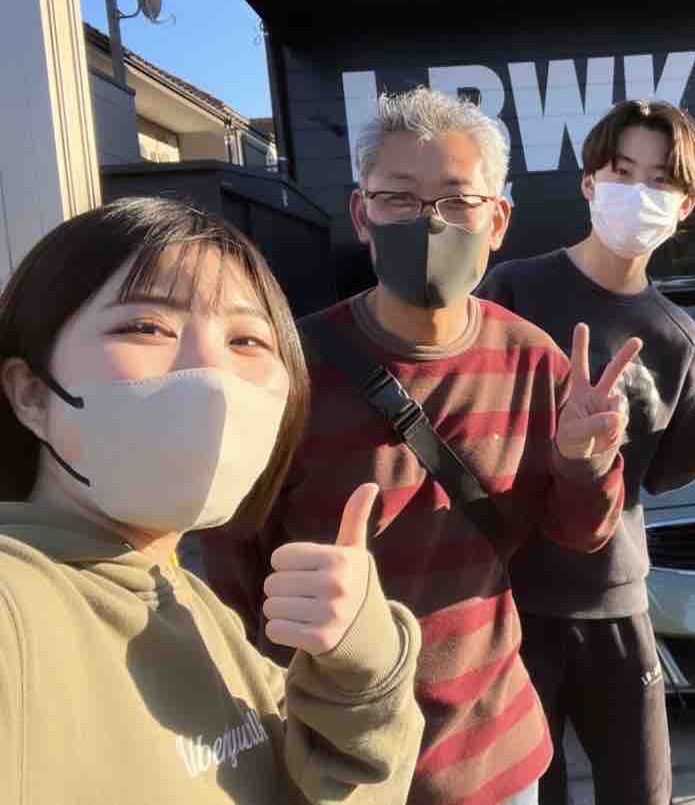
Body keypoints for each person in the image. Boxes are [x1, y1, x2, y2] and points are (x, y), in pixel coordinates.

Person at [202, 87, 636, 805]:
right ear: (361, 213)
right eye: (399, 198)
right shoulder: (289, 369)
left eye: (458, 201)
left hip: (492, 752)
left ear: (497, 220)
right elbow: (228, 568)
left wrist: (585, 464)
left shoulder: (533, 359)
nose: (430, 222)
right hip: (334, 762)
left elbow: (578, 534)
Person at [0, 198, 424, 805]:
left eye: (247, 339)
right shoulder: (15, 606)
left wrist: (363, 672)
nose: (212, 371)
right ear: (30, 395)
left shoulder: (192, 603)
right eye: (146, 327)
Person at [477, 99, 695, 805]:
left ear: (685, 205)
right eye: (622, 171)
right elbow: (470, 428)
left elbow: (659, 474)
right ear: (589, 183)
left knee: (641, 789)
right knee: (525, 792)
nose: (638, 193)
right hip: (512, 598)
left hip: (615, 595)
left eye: (661, 181)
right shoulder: (513, 290)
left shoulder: (675, 333)